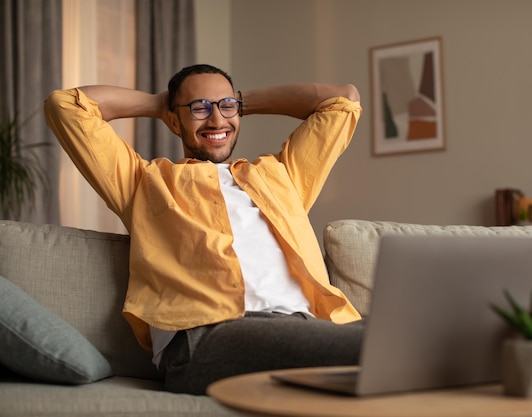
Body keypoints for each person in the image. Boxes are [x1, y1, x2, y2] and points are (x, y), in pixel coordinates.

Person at [44, 64, 364, 395]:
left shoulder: (280, 176)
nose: (216, 121)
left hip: (309, 325)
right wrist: (160, 104)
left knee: (402, 347)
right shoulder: (144, 183)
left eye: (226, 107)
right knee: (373, 350)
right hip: (206, 337)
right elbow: (66, 105)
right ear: (172, 120)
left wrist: (238, 101)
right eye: (199, 108)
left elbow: (343, 100)